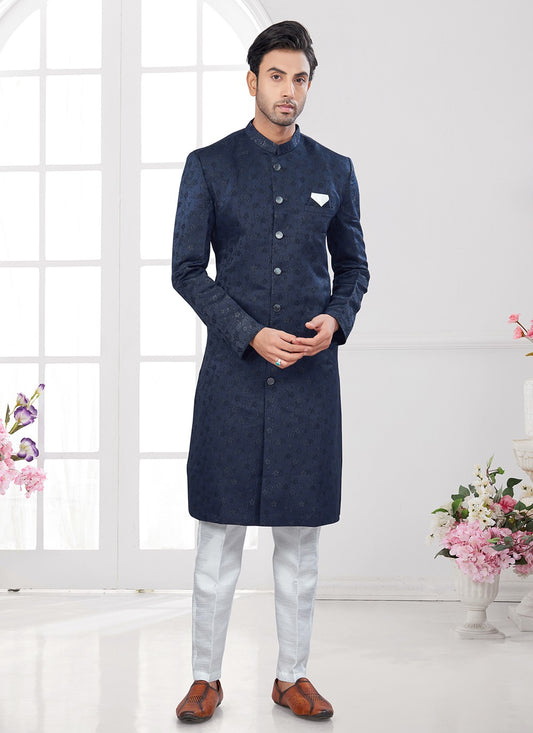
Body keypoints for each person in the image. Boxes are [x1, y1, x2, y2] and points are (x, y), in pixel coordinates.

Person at [171, 19, 369, 723]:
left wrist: (336, 319)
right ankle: (205, 677)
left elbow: (354, 268)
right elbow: (186, 270)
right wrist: (248, 333)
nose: (289, 90)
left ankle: (292, 676)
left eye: (300, 78)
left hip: (310, 380)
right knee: (217, 537)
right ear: (252, 80)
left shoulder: (335, 170)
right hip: (231, 377)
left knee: (300, 538)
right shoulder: (209, 165)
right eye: (277, 76)